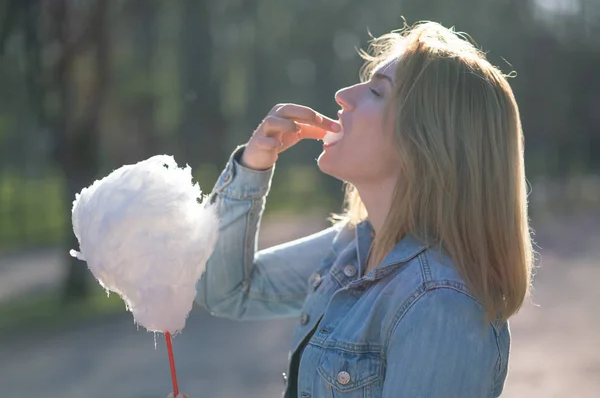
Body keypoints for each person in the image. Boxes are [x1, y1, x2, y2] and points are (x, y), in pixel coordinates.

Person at [194, 20, 533, 398]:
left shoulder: (442, 305)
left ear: (426, 138)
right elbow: (225, 290)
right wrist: (252, 166)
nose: (343, 95)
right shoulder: (353, 247)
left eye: (375, 91)